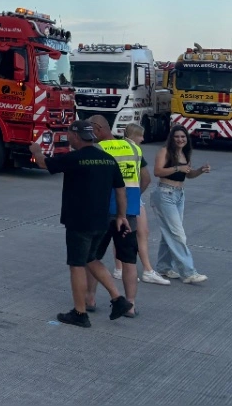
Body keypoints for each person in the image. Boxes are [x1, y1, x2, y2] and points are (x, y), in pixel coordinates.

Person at [31, 120, 132, 327]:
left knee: (77, 264)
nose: (69, 138)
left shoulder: (74, 158)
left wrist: (36, 150)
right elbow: (120, 190)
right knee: (91, 259)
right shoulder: (108, 160)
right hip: (102, 221)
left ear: (76, 136)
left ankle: (80, 313)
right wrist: (121, 216)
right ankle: (118, 299)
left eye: (69, 134)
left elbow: (43, 163)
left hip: (79, 221)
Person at [84, 117, 153, 318]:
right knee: (129, 259)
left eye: (90, 130)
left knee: (93, 256)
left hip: (102, 213)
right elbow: (146, 178)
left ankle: (90, 298)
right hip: (128, 214)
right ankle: (130, 305)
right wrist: (133, 199)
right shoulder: (133, 148)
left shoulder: (97, 149)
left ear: (97, 129)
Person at [151, 125, 211, 284]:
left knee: (169, 233)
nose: (180, 139)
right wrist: (178, 167)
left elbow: (188, 174)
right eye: (177, 136)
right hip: (165, 194)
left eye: (183, 137)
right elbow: (157, 171)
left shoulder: (185, 153)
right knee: (178, 234)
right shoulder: (165, 151)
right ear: (172, 138)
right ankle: (189, 273)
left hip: (179, 195)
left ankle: (163, 267)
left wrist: (200, 170)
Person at [112, 124, 169, 287]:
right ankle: (143, 270)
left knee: (126, 232)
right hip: (131, 194)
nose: (143, 139)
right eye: (141, 136)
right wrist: (136, 195)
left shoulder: (116, 147)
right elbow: (146, 178)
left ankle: (124, 268)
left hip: (124, 194)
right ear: (133, 135)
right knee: (133, 232)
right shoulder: (134, 150)